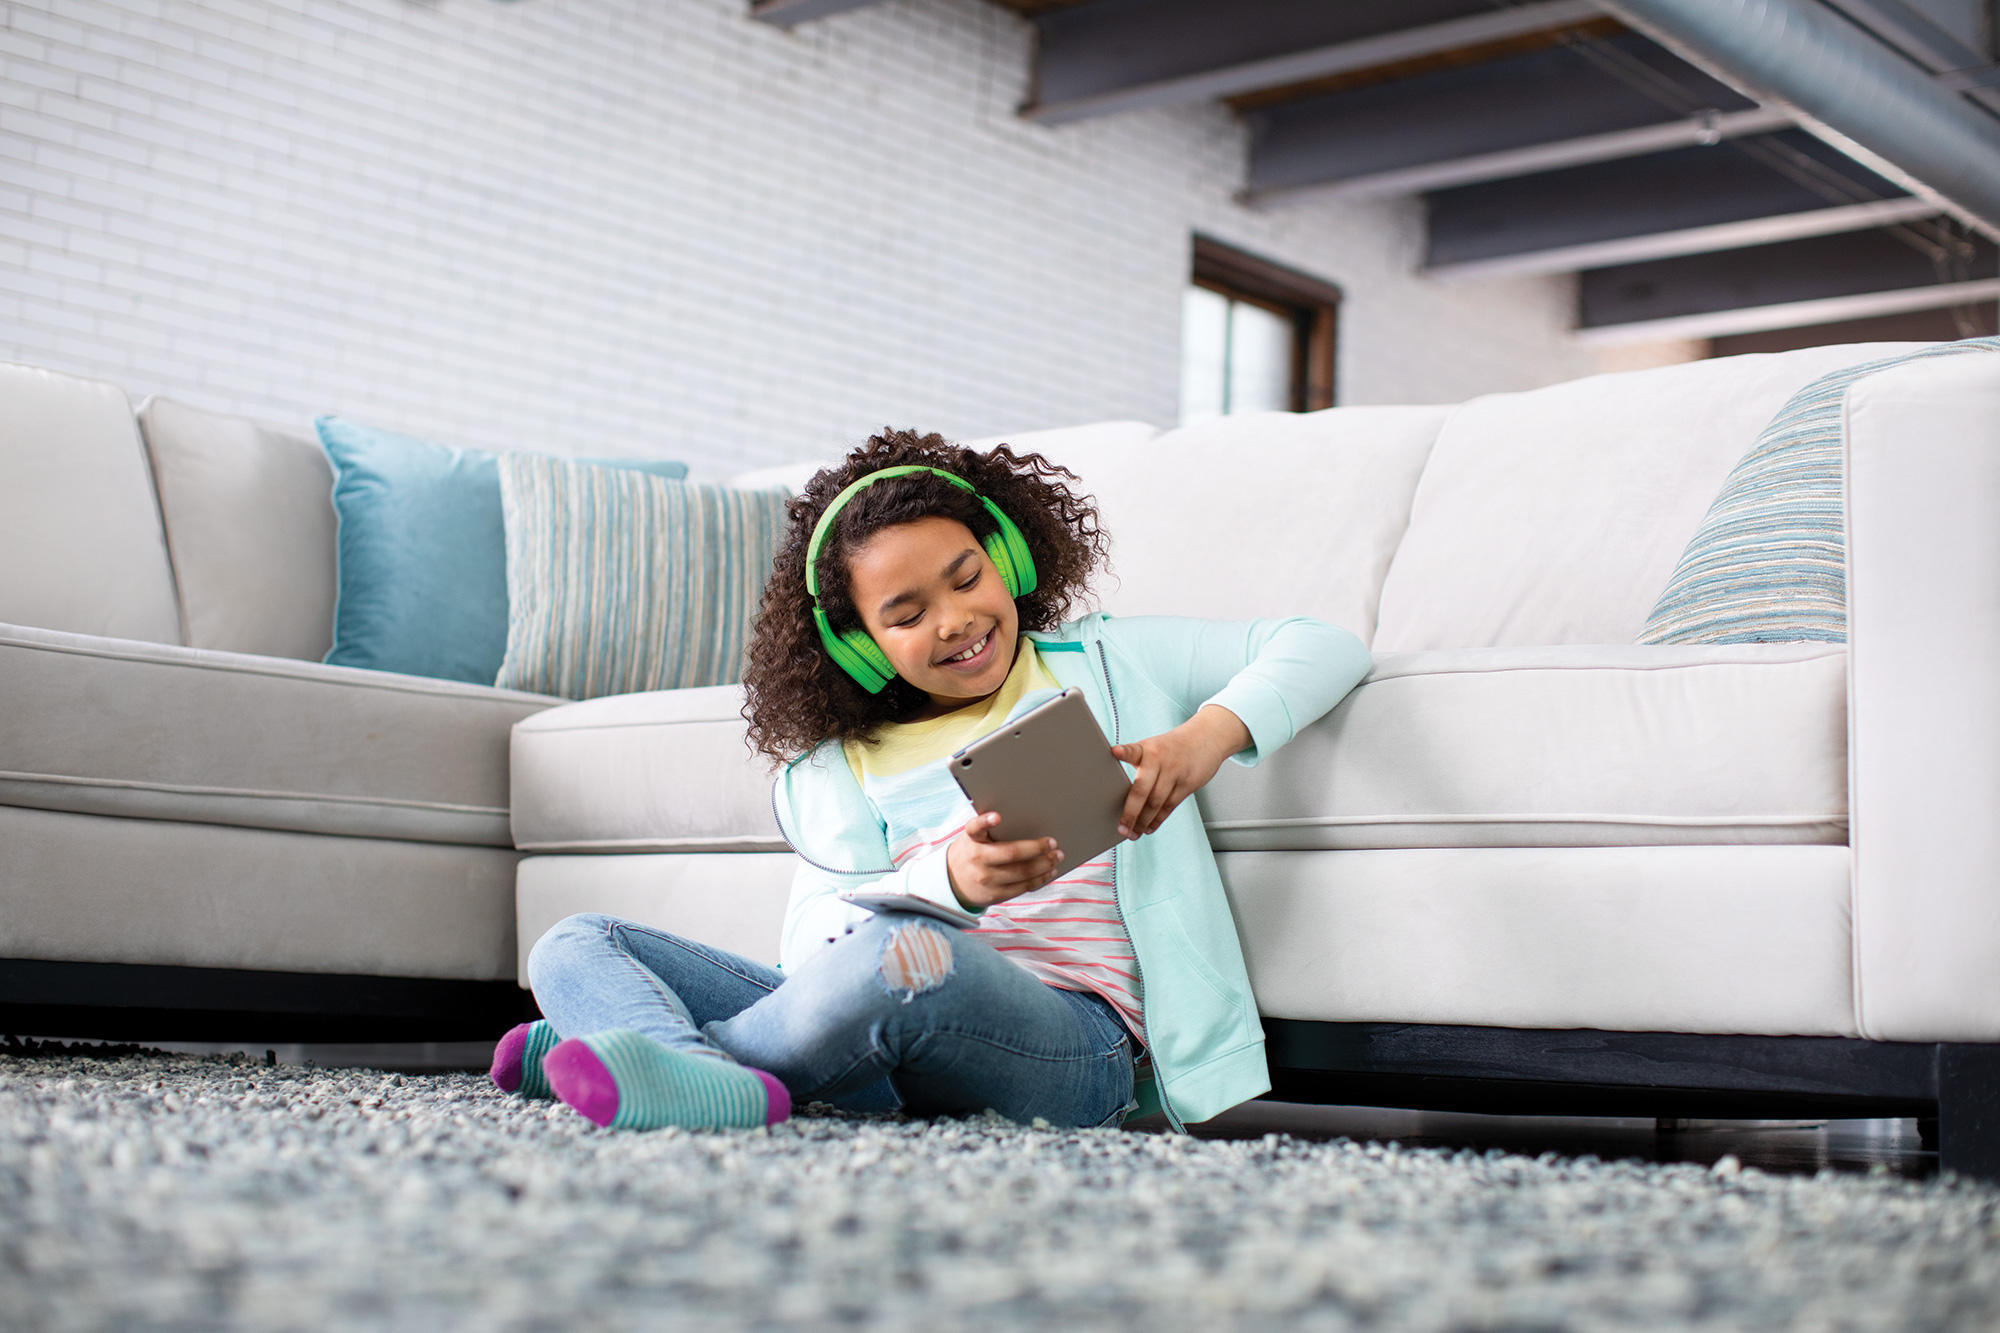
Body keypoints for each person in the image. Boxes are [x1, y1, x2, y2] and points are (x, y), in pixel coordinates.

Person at [490, 428, 1370, 1132]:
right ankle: (682, 1069)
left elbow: (1325, 642)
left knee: (900, 959)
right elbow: (810, 960)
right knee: (574, 940)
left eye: (968, 579)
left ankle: (639, 1049)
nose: (957, 622)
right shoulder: (846, 765)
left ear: (1009, 560)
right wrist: (948, 882)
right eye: (907, 615)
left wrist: (1203, 739)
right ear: (858, 643)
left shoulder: (1109, 661)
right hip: (893, 1016)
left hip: (1084, 1046)